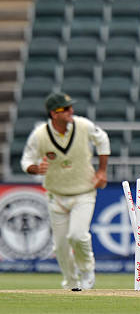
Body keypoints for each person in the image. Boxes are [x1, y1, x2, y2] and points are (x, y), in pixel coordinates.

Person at [21, 92, 110, 290]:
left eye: (71, 107)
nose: (71, 111)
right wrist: (34, 168)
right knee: (60, 246)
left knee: (77, 235)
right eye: (65, 109)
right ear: (54, 113)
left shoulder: (83, 125)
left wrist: (102, 171)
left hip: (84, 192)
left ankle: (87, 270)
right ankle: (70, 281)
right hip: (56, 195)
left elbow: (102, 140)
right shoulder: (40, 134)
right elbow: (26, 159)